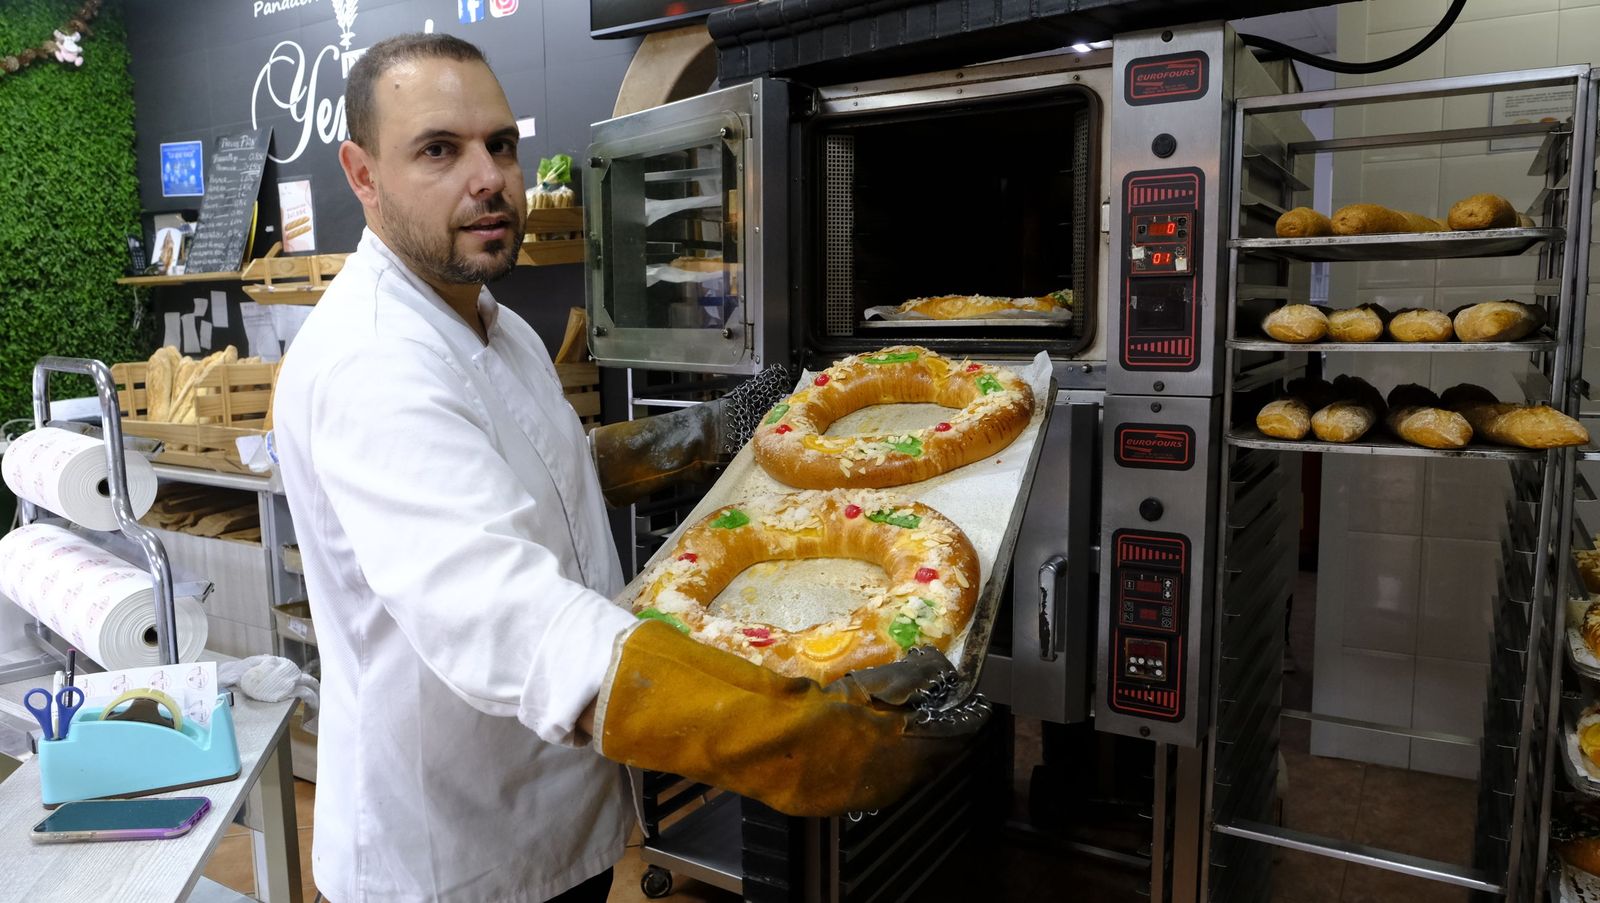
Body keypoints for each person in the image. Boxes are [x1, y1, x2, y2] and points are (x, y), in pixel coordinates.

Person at [273, 33, 983, 903]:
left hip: (554, 817)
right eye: (438, 150)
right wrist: (794, 734)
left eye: (500, 143)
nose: (488, 176)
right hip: (454, 854)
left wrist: (705, 433)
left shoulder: (492, 322)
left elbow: (538, 470)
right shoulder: (372, 363)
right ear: (362, 173)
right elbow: (505, 613)